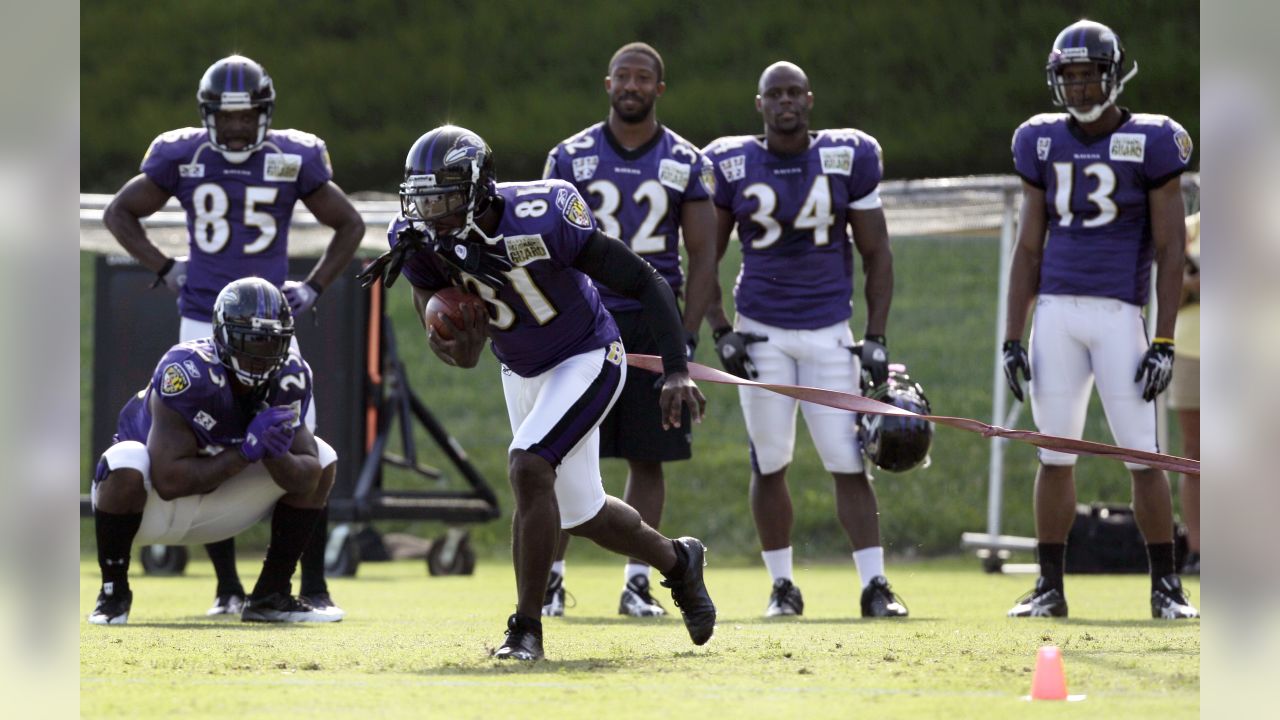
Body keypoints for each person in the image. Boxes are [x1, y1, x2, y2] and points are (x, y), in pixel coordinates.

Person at [361, 125, 716, 661]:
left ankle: (526, 629)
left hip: (588, 354)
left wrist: (675, 369)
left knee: (529, 466)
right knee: (584, 512)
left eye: (446, 196)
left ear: (480, 189)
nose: (433, 211)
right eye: (424, 197)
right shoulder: (420, 244)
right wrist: (467, 342)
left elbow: (645, 281)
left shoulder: (543, 213)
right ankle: (678, 561)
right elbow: (458, 354)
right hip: (519, 369)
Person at [103, 54, 364, 618]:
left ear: (266, 114)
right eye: (228, 117)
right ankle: (227, 586)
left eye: (249, 116)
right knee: (205, 438)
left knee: (307, 450)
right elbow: (121, 212)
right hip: (203, 318)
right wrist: (165, 266)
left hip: (271, 324)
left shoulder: (294, 157)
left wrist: (315, 287)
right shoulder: (182, 154)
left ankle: (308, 585)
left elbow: (349, 221)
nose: (239, 127)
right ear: (207, 115)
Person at [1002, 20, 1198, 619]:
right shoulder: (1040, 141)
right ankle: (1049, 586)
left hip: (1120, 314)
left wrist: (1163, 338)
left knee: (1144, 454)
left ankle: (1166, 587)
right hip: (1057, 314)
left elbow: (1171, 252)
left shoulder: (1153, 141)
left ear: (1113, 75)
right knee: (1054, 453)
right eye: (1070, 76)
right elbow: (1029, 248)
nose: (1080, 87)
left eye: (1089, 75)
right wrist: (1013, 336)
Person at [701, 61, 907, 619]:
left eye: (794, 93)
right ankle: (783, 587)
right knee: (770, 460)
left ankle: (875, 585)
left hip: (828, 331)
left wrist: (876, 336)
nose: (786, 102)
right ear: (760, 103)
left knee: (847, 459)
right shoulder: (731, 161)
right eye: (776, 94)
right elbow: (704, 257)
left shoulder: (847, 156)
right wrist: (721, 330)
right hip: (762, 332)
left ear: (809, 100)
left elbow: (877, 252)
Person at [540, 42, 718, 618]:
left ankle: (638, 582)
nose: (633, 86)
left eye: (644, 78)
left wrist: (682, 342)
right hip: (583, 319)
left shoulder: (686, 160)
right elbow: (545, 245)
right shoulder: (569, 155)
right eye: (624, 76)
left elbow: (703, 254)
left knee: (648, 456)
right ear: (608, 83)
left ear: (659, 89)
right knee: (558, 453)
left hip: (650, 319)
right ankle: (550, 580)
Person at [88, 278, 341, 625]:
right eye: (250, 340)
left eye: (272, 341)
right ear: (222, 335)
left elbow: (308, 476)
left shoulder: (290, 375)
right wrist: (245, 452)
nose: (261, 354)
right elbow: (167, 481)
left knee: (323, 457)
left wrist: (272, 452)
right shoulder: (187, 371)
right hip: (150, 509)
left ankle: (271, 594)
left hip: (224, 509)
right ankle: (113, 591)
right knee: (124, 460)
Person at [1170, 211, 1200, 574]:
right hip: (1192, 350)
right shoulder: (1189, 228)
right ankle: (1198, 551)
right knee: (1194, 455)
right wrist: (1191, 287)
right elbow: (1167, 293)